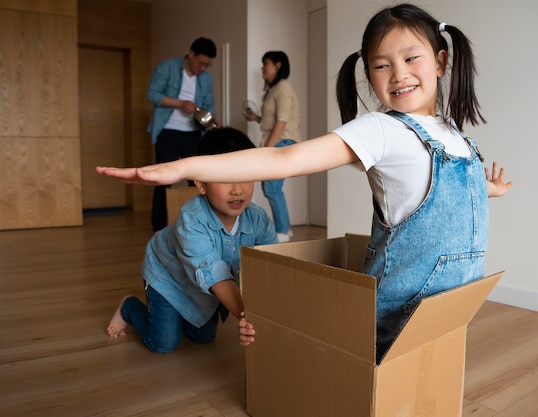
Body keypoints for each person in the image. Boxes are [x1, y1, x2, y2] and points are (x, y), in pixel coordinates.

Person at [98, 4, 513, 362]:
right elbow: (284, 158)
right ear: (368, 75)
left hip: (452, 301)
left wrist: (487, 188)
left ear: (440, 62)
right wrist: (186, 167)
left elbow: (447, 190)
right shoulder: (380, 130)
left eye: (411, 58)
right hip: (400, 304)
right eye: (381, 65)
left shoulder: (453, 132)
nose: (398, 74)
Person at [106, 127, 278, 353]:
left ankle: (180, 314)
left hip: (198, 286)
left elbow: (273, 266)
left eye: (245, 177)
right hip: (167, 277)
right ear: (201, 184)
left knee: (204, 337)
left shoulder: (259, 219)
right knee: (163, 343)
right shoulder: (192, 220)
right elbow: (217, 278)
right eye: (226, 179)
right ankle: (129, 306)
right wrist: (252, 318)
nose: (237, 190)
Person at [147, 37, 220, 231]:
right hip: (167, 131)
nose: (203, 68)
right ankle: (159, 227)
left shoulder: (206, 78)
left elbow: (209, 104)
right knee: (162, 179)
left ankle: (197, 225)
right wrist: (180, 103)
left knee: (197, 181)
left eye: (207, 65)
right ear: (191, 54)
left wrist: (212, 118)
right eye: (201, 63)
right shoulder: (168, 67)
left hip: (193, 133)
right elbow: (152, 94)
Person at [244, 51, 300, 242]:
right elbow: (272, 120)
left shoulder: (283, 87)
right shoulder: (274, 89)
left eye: (265, 64)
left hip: (282, 142)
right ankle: (285, 229)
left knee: (272, 187)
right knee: (272, 187)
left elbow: (282, 122)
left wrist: (268, 150)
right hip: (277, 141)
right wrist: (256, 118)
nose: (262, 68)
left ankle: (282, 231)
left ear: (277, 65)